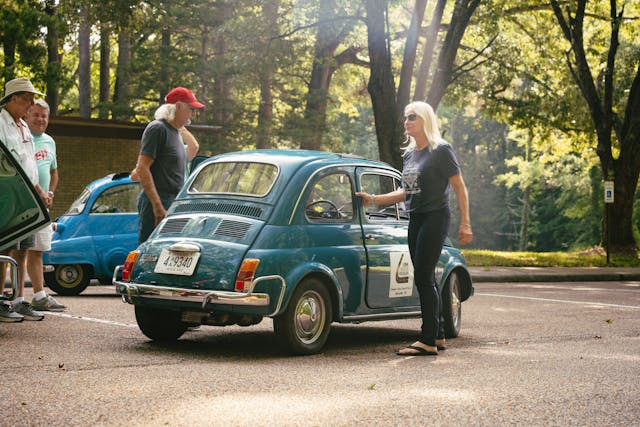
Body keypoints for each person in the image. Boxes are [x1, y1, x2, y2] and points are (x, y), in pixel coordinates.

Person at [356, 101, 473, 356]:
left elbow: (459, 187)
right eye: (405, 118)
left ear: (425, 120)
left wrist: (465, 222)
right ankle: (439, 335)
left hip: (436, 216)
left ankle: (427, 339)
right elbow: (405, 192)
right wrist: (373, 200)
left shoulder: (441, 150)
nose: (406, 121)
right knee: (426, 276)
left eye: (412, 117)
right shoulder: (410, 155)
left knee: (422, 276)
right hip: (416, 218)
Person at [0, 78, 62, 322]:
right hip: (8, 195)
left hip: (27, 195)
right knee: (5, 247)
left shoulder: (23, 126)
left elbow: (29, 163)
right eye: (27, 98)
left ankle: (17, 300)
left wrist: (40, 191)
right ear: (13, 98)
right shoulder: (1, 123)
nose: (31, 103)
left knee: (23, 247)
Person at [135, 87, 204, 243]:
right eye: (190, 108)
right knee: (150, 253)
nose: (193, 113)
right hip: (158, 202)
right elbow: (142, 168)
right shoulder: (157, 129)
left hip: (173, 202)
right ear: (178, 106)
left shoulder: (176, 133)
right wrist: (157, 206)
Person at [25, 99, 65, 312]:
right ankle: (13, 296)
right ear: (27, 115)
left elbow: (54, 172)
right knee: (18, 250)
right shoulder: (22, 137)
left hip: (43, 205)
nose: (40, 119)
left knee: (38, 250)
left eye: (44, 116)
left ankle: (39, 295)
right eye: (36, 114)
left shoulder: (49, 141)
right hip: (23, 203)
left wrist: (49, 193)